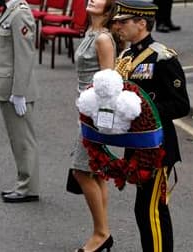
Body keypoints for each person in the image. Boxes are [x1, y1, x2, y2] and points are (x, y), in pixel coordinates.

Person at [113, 0, 190, 251]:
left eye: (123, 21)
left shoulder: (162, 58)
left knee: (152, 210)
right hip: (136, 145)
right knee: (143, 210)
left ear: (142, 23)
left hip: (159, 147)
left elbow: (180, 105)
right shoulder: (127, 56)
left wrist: (144, 110)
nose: (118, 26)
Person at [67, 0, 116, 251]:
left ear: (108, 10)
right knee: (96, 173)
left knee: (81, 170)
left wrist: (98, 117)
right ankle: (102, 231)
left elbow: (109, 82)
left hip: (95, 113)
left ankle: (101, 233)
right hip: (84, 108)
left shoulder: (103, 39)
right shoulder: (91, 33)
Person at [0, 0, 40, 203]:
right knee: (17, 139)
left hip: (16, 88)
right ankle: (23, 182)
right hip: (8, 85)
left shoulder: (20, 14)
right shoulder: (11, 11)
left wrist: (19, 93)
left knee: (23, 139)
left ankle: (28, 187)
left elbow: (25, 56)